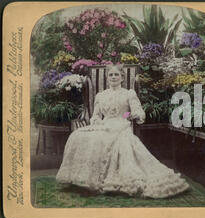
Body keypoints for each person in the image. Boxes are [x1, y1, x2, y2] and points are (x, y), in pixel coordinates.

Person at [56, 64, 190, 198]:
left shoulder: (128, 93)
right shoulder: (100, 96)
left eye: (116, 75)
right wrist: (96, 120)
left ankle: (105, 180)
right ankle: (83, 178)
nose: (113, 77)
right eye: (110, 75)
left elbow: (138, 111)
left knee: (108, 139)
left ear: (122, 78)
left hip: (121, 125)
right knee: (77, 135)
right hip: (104, 124)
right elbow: (96, 115)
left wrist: (131, 115)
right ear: (107, 78)